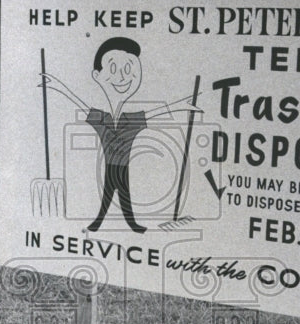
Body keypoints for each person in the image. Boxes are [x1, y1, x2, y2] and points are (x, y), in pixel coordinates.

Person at [40, 36, 200, 233]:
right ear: (97, 75)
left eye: (129, 69)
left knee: (122, 197)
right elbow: (79, 102)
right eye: (113, 69)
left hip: (122, 166)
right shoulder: (103, 118)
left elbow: (154, 113)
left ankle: (119, 224)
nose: (122, 77)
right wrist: (57, 85)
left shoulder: (129, 119)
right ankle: (102, 224)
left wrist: (180, 106)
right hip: (110, 166)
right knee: (111, 196)